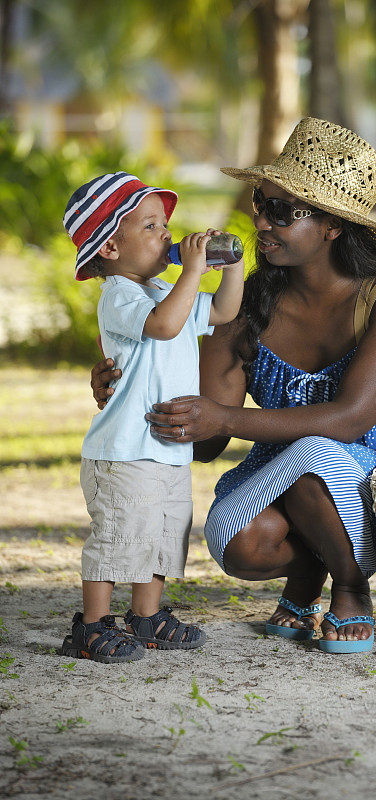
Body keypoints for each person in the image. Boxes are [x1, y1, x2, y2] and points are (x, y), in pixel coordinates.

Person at [91, 119, 376, 655]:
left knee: (316, 451)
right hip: (280, 471)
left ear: (333, 225)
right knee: (239, 541)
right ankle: (307, 574)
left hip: (370, 481)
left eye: (283, 211)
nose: (261, 222)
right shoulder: (244, 306)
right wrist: (131, 380)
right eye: (259, 204)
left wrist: (227, 419)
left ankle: (352, 584)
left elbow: (354, 416)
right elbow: (206, 443)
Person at [62, 171, 244, 663]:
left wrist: (230, 266)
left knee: (164, 535)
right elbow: (163, 327)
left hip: (166, 449)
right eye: (148, 226)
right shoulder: (120, 295)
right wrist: (191, 272)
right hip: (123, 452)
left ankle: (146, 616)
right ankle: (92, 626)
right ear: (111, 250)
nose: (166, 234)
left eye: (165, 224)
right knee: (120, 536)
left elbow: (224, 313)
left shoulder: (167, 290)